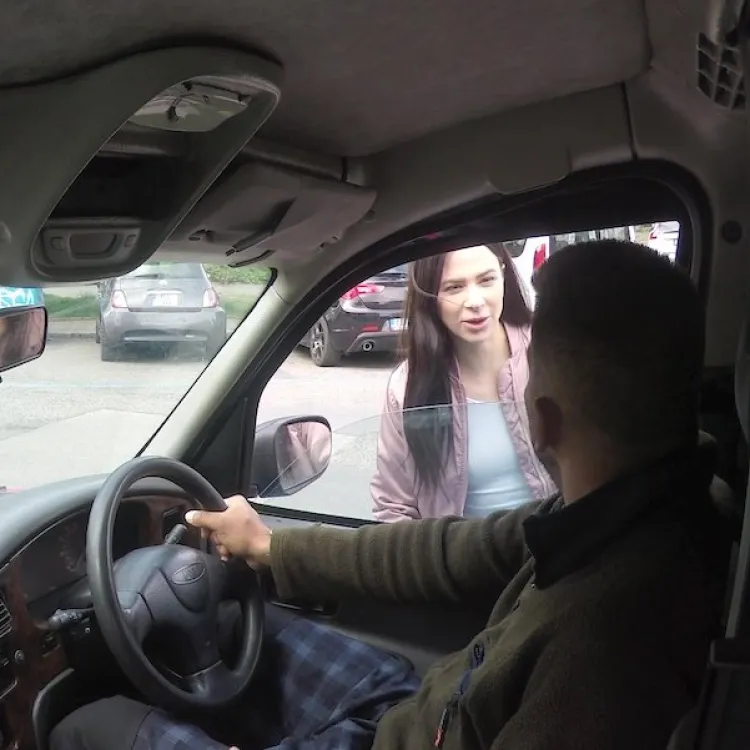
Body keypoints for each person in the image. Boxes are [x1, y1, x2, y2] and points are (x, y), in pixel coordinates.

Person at [52, 240, 731, 750]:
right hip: (418, 709)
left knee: (89, 723)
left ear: (545, 420)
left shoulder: (603, 647)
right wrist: (270, 548)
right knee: (234, 626)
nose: (476, 300)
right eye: (456, 285)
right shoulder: (625, 513)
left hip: (425, 725)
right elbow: (441, 550)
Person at [371, 244, 556, 522]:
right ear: (430, 296)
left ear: (503, 275)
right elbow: (394, 507)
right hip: (463, 549)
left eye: (486, 280)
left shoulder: (550, 349)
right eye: (454, 287)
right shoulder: (406, 386)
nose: (475, 301)